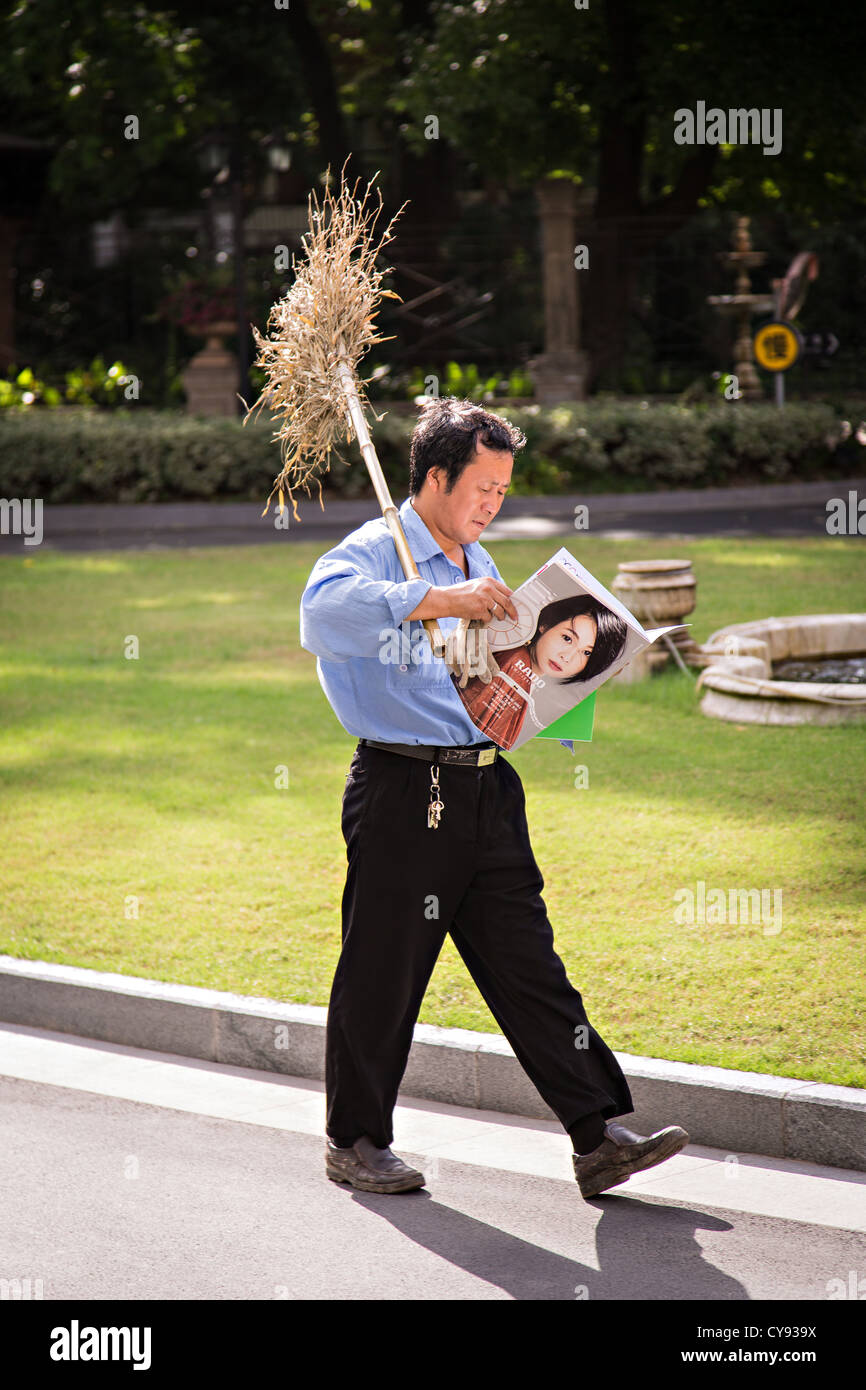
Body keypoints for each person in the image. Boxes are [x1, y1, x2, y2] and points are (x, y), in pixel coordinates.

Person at [299, 396, 688, 1199]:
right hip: (405, 790)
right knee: (384, 970)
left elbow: (496, 684)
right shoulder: (374, 549)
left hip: (487, 789)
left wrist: (559, 696)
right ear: (436, 476)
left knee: (531, 966)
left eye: (504, 492)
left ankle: (597, 1136)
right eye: (483, 487)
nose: (493, 504)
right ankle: (357, 1141)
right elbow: (321, 616)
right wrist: (434, 600)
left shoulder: (482, 564)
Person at [457, 595, 629, 751]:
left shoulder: (527, 671)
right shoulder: (517, 664)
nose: (567, 657)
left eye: (587, 653)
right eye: (567, 638)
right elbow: (476, 740)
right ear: (545, 625)